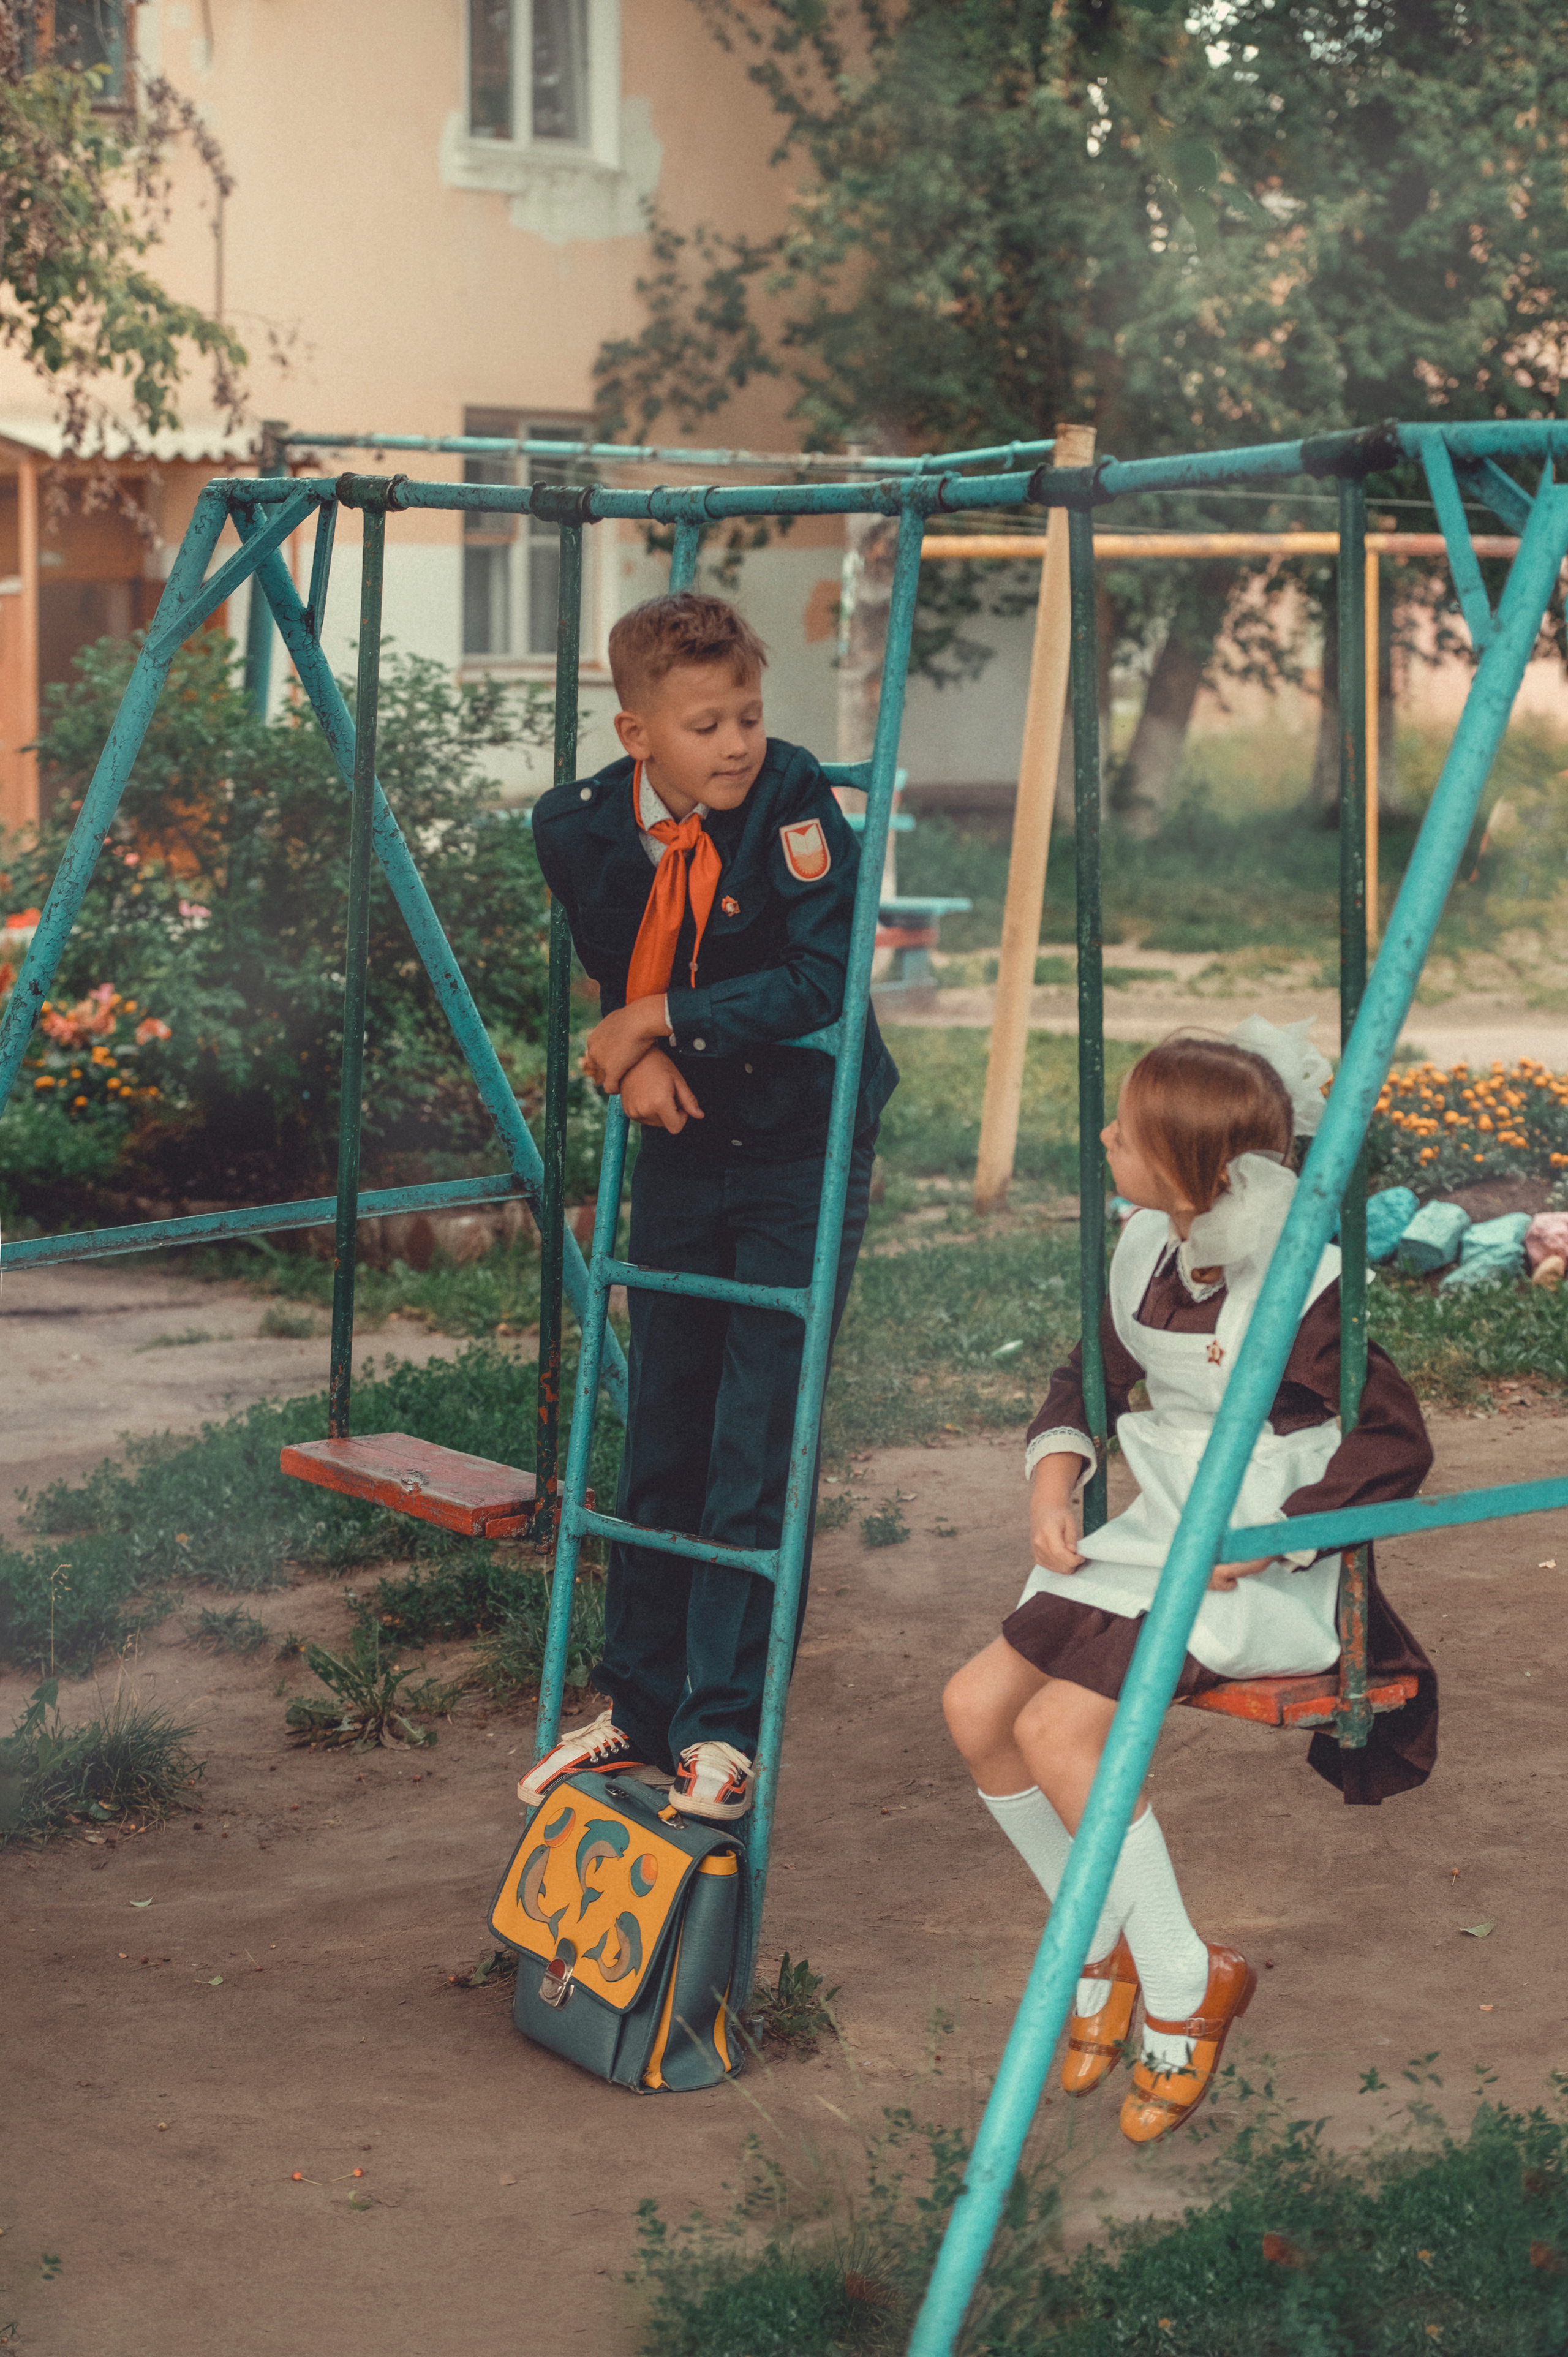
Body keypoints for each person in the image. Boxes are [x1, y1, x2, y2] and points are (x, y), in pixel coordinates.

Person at [943, 1025, 1436, 2146]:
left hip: (1250, 1561)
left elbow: (1393, 1441)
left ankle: (1182, 1979)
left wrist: (1282, 1537)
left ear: (1205, 1170)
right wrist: (1055, 1485)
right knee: (976, 1711)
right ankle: (1102, 1941)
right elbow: (1091, 1370)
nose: (1107, 1135)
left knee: (1067, 1735)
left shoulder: (1304, 1282)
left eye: (1131, 1128)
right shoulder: (1143, 1248)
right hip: (1155, 1528)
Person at [519, 590, 896, 1822]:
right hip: (684, 1144)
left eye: (745, 714)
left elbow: (821, 976)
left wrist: (661, 1022)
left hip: (798, 1144)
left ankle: (721, 1728)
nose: (735, 744)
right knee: (665, 1429)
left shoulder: (789, 804)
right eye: (702, 725)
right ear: (636, 734)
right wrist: (630, 1052)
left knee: (752, 1440)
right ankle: (635, 1705)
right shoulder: (574, 827)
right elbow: (607, 955)